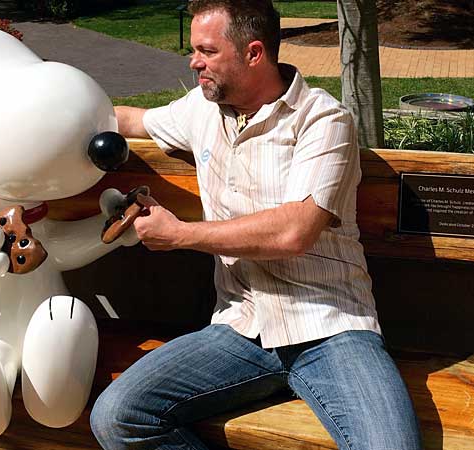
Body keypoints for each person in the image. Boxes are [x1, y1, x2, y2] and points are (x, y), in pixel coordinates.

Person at [90, 1, 421, 449]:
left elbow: (294, 231)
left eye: (207, 51)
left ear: (253, 53)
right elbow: (132, 120)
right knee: (118, 417)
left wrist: (181, 235)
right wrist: (56, 110)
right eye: (194, 50)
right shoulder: (201, 110)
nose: (194, 62)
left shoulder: (324, 120)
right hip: (240, 329)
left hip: (329, 326)